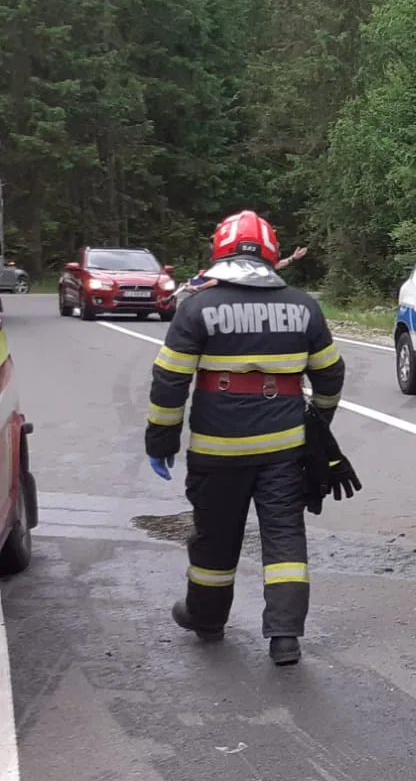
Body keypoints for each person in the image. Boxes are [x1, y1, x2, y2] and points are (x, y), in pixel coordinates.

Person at [145, 211, 346, 665]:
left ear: (220, 251)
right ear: (272, 253)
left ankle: (207, 619)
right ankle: (285, 636)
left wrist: (161, 442)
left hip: (217, 448)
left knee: (214, 538)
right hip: (284, 448)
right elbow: (330, 374)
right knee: (285, 537)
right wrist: (320, 425)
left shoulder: (197, 307)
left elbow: (170, 381)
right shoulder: (303, 306)